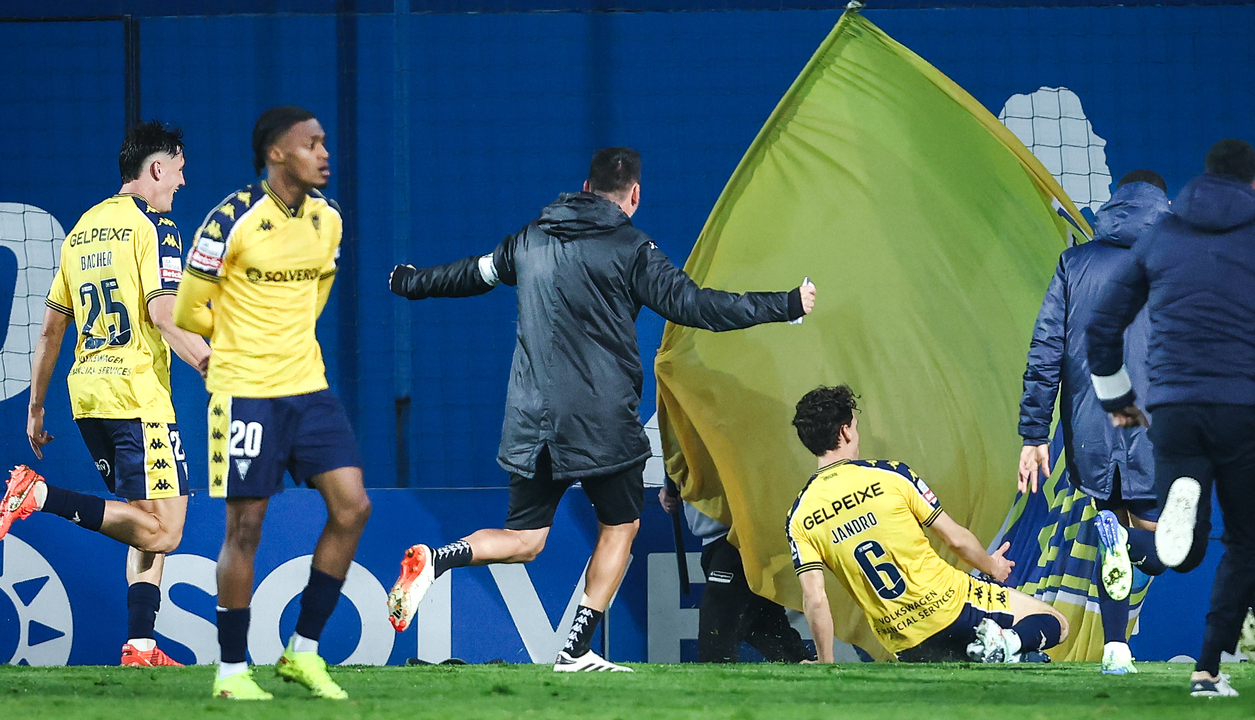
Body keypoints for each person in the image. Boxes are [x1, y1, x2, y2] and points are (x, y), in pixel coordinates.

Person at [383, 147, 815, 672]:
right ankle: (576, 649)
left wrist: (410, 281)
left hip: (529, 422)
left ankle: (439, 558)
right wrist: (786, 305)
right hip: (600, 425)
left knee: (524, 540)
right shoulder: (633, 248)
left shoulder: (529, 237)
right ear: (633, 196)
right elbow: (696, 306)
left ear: (584, 190)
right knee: (622, 525)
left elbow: (471, 274)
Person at [1087, 139, 1255, 697]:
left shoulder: (1162, 237)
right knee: (1243, 546)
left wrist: (1116, 400)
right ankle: (1206, 672)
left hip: (1175, 411)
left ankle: (1138, 542)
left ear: (1202, 181)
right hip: (1245, 412)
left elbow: (1103, 327)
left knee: (1180, 551)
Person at [0, 121, 210, 667]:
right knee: (166, 532)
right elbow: (163, 314)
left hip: (87, 393)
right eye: (179, 171)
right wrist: (209, 361)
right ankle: (39, 496)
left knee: (142, 518)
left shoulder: (83, 230)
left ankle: (140, 646)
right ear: (157, 168)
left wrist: (36, 408)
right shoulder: (157, 226)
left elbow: (49, 331)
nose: (182, 183)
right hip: (137, 393)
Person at [174, 106, 372, 700]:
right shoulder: (230, 220)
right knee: (246, 527)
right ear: (276, 153)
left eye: (325, 143)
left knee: (353, 507)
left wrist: (288, 345)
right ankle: (232, 672)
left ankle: (302, 652)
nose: (324, 153)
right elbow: (188, 311)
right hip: (244, 392)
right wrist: (241, 347)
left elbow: (317, 294)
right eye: (311, 144)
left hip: (308, 388)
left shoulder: (329, 219)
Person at [789, 385, 1069, 664]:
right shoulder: (891, 475)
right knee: (1054, 622)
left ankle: (1000, 653)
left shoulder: (800, 515)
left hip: (905, 642)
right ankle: (1008, 646)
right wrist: (993, 566)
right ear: (846, 431)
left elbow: (815, 598)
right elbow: (955, 539)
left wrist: (825, 661)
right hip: (952, 607)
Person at [1018, 169, 1171, 674]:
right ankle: (1123, 550)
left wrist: (1033, 436)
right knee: (1165, 545)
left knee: (1117, 530)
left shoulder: (1074, 262)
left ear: (1115, 202)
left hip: (1090, 432)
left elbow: (1044, 353)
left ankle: (1115, 648)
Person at [658, 479, 811, 663]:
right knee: (764, 625)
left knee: (716, 629)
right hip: (716, 540)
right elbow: (687, 463)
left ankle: (715, 688)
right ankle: (807, 669)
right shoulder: (682, 454)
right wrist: (673, 486)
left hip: (737, 537)